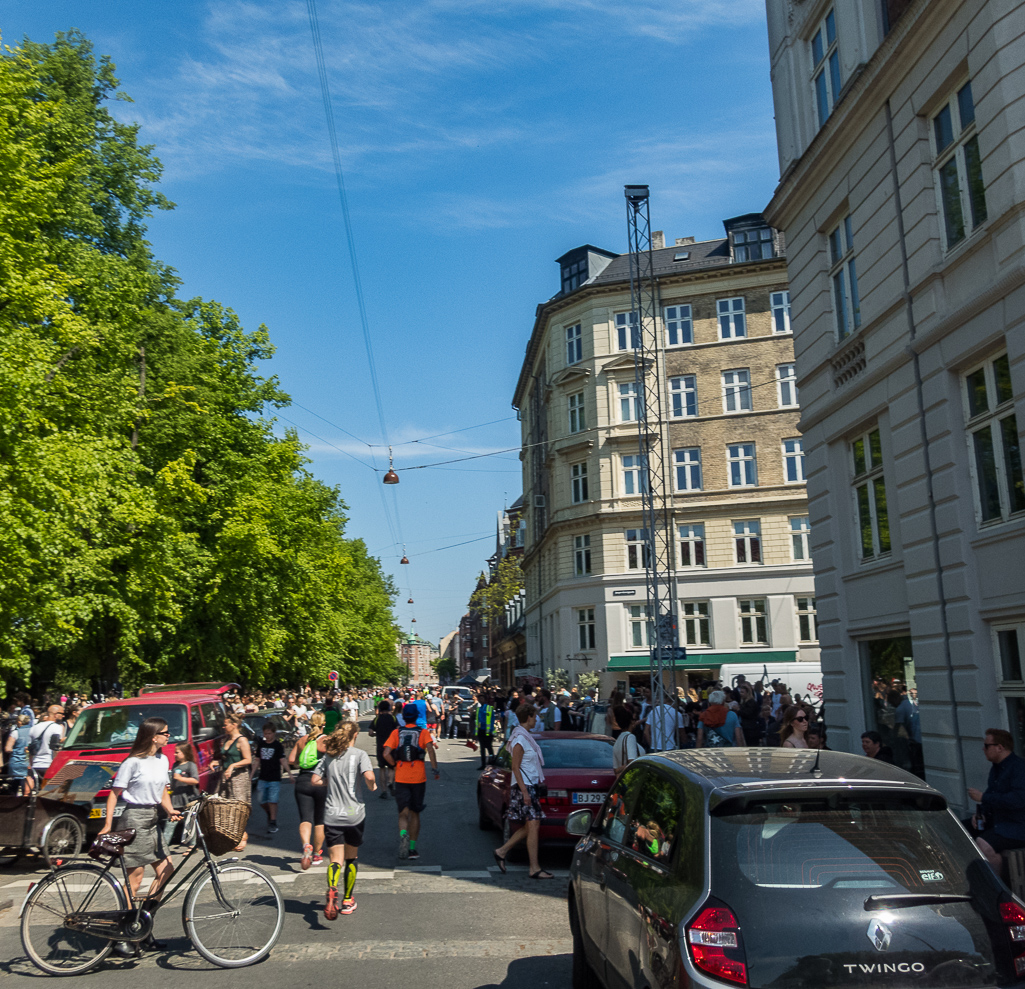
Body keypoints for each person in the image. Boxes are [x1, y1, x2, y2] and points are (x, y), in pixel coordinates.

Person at [99, 717, 181, 955]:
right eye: (166, 733)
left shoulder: (163, 759)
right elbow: (114, 794)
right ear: (153, 736)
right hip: (133, 819)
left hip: (153, 819)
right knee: (135, 880)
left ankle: (142, 925)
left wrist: (169, 809)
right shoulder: (132, 763)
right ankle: (122, 933)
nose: (169, 736)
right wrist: (107, 825)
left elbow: (163, 791)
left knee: (166, 870)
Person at [312, 721, 377, 919]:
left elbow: (314, 780)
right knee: (351, 858)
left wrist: (329, 781)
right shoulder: (360, 755)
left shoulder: (328, 756)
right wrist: (372, 785)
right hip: (354, 814)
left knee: (335, 860)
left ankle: (332, 887)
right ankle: (347, 900)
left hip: (333, 814)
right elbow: (369, 776)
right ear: (355, 735)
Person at [491, 704, 553, 880]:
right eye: (535, 716)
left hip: (529, 785)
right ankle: (534, 868)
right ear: (528, 717)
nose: (537, 719)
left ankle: (501, 851)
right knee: (533, 825)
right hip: (523, 786)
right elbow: (515, 767)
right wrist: (525, 792)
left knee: (531, 825)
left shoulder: (526, 737)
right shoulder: (519, 739)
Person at [383, 703, 439, 861]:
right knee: (415, 813)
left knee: (402, 813)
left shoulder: (396, 732)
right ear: (416, 716)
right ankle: (412, 848)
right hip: (418, 777)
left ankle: (403, 835)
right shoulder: (423, 732)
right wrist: (435, 769)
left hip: (401, 777)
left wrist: (394, 764)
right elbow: (431, 750)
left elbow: (386, 753)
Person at [968, 729, 1025, 873]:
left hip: (1016, 825)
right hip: (999, 821)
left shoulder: (1019, 768)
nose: (984, 749)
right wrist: (980, 814)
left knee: (984, 844)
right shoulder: (996, 769)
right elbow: (991, 796)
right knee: (959, 829)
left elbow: (1017, 800)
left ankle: (997, 888)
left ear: (1000, 747)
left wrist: (983, 797)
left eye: (987, 746)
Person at [291, 711, 329, 869]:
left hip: (302, 781)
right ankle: (318, 853)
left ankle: (306, 845)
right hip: (320, 782)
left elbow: (292, 760)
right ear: (323, 725)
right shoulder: (326, 740)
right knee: (320, 819)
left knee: (305, 818)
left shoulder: (302, 740)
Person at [210, 713, 252, 851]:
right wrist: (217, 762)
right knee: (225, 805)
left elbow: (248, 759)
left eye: (226, 724)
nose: (223, 727)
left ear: (234, 725)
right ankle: (233, 836)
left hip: (238, 778)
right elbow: (226, 757)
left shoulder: (242, 740)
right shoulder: (226, 739)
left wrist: (233, 766)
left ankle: (241, 837)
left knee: (238, 807)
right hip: (226, 777)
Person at [253, 724, 291, 834]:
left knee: (273, 800)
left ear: (274, 733)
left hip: (274, 777)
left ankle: (273, 821)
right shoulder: (261, 744)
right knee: (261, 800)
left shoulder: (277, 745)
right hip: (262, 777)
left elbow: (283, 760)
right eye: (265, 734)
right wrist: (251, 775)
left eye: (269, 733)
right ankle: (269, 813)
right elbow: (257, 761)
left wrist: (289, 773)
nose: (267, 736)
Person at [164, 742, 200, 853]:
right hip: (176, 798)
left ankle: (192, 846)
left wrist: (181, 779)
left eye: (177, 752)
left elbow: (195, 780)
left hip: (188, 799)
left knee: (189, 822)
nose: (174, 754)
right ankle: (164, 847)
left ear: (185, 753)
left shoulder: (190, 765)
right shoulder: (175, 765)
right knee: (170, 822)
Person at [27, 703, 65, 783]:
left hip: (35, 766)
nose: (63, 716)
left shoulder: (34, 728)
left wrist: (30, 765)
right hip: (49, 765)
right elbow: (55, 748)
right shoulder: (57, 727)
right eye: (62, 713)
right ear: (55, 714)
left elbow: (29, 750)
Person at [370, 700, 398, 798]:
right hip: (392, 746)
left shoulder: (377, 719)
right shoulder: (393, 718)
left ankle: (384, 791)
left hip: (380, 746)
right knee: (392, 766)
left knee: (382, 768)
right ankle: (390, 782)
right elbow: (398, 729)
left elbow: (370, 732)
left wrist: (376, 733)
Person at [4, 713, 33, 795]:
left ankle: (12, 803)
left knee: (15, 786)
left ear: (20, 722)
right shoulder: (33, 730)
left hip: (17, 762)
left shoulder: (15, 732)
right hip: (29, 761)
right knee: (27, 783)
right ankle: (27, 802)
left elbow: (7, 748)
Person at [612, 706, 640, 771]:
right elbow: (632, 762)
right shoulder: (630, 737)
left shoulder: (618, 740)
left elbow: (616, 769)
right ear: (632, 721)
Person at [476, 692, 499, 769]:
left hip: (488, 731)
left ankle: (492, 763)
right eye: (479, 699)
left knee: (489, 747)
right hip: (481, 731)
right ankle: (483, 764)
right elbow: (477, 720)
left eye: (482, 698)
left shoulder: (489, 708)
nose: (480, 700)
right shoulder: (478, 709)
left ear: (485, 700)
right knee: (482, 748)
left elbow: (492, 720)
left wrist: (490, 730)